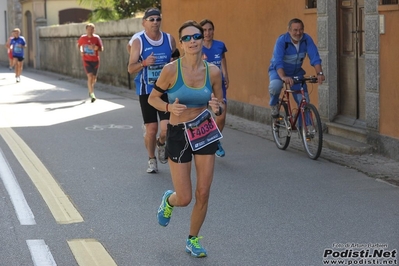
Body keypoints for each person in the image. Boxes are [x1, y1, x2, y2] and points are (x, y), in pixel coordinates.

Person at [148, 20, 224, 258]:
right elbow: (153, 99)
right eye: (187, 38)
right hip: (178, 133)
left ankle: (193, 239)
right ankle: (168, 201)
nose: (193, 41)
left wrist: (217, 107)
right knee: (185, 197)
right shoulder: (171, 70)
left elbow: (221, 106)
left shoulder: (213, 72)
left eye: (197, 37)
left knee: (203, 192)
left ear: (203, 40)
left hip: (204, 131)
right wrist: (169, 107)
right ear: (180, 43)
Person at [127, 8, 177, 173]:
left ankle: (161, 143)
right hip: (146, 90)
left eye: (157, 19)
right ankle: (151, 159)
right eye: (151, 19)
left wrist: (173, 62)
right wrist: (144, 63)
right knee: (151, 129)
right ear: (144, 23)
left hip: (165, 89)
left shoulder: (169, 39)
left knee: (166, 128)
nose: (155, 22)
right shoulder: (138, 42)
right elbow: (130, 68)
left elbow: (176, 60)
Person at [268, 18, 325, 118]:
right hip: (278, 71)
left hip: (296, 72)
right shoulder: (282, 41)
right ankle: (274, 104)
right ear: (289, 30)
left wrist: (319, 73)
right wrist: (283, 77)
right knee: (275, 86)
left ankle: (306, 129)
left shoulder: (307, 39)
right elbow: (278, 61)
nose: (298, 33)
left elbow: (315, 57)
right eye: (295, 30)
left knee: (304, 102)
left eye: (301, 29)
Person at [200, 19, 229, 157]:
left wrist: (226, 75)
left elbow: (223, 59)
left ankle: (216, 139)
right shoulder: (196, 47)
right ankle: (201, 143)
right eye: (204, 30)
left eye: (210, 29)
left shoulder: (220, 45)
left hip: (218, 85)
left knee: (221, 116)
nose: (207, 33)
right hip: (202, 86)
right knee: (202, 117)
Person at [77, 23, 104, 103]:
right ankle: (92, 94)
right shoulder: (83, 38)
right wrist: (81, 51)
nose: (90, 31)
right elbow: (79, 45)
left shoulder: (96, 38)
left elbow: (101, 48)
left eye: (92, 29)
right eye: (89, 29)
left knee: (94, 78)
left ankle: (90, 89)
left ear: (94, 30)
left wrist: (96, 48)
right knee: (89, 76)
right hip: (86, 60)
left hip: (95, 60)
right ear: (86, 30)